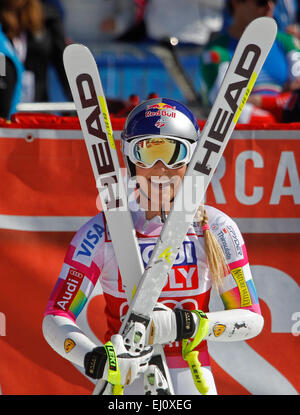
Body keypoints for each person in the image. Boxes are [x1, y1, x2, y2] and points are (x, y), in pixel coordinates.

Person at [42, 98, 264, 395]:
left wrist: (186, 324)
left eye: (173, 152)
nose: (160, 168)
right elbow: (56, 314)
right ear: (131, 160)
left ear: (192, 159)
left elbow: (250, 317)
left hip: (192, 380)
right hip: (125, 378)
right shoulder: (102, 231)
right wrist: (94, 359)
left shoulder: (216, 228)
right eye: (147, 152)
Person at [200, 0, 300, 123]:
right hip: (245, 137)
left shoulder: (287, 42)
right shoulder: (216, 52)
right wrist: (277, 111)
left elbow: (298, 96)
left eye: (274, 1)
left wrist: (258, 101)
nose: (270, 6)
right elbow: (227, 110)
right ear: (236, 2)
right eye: (261, 2)